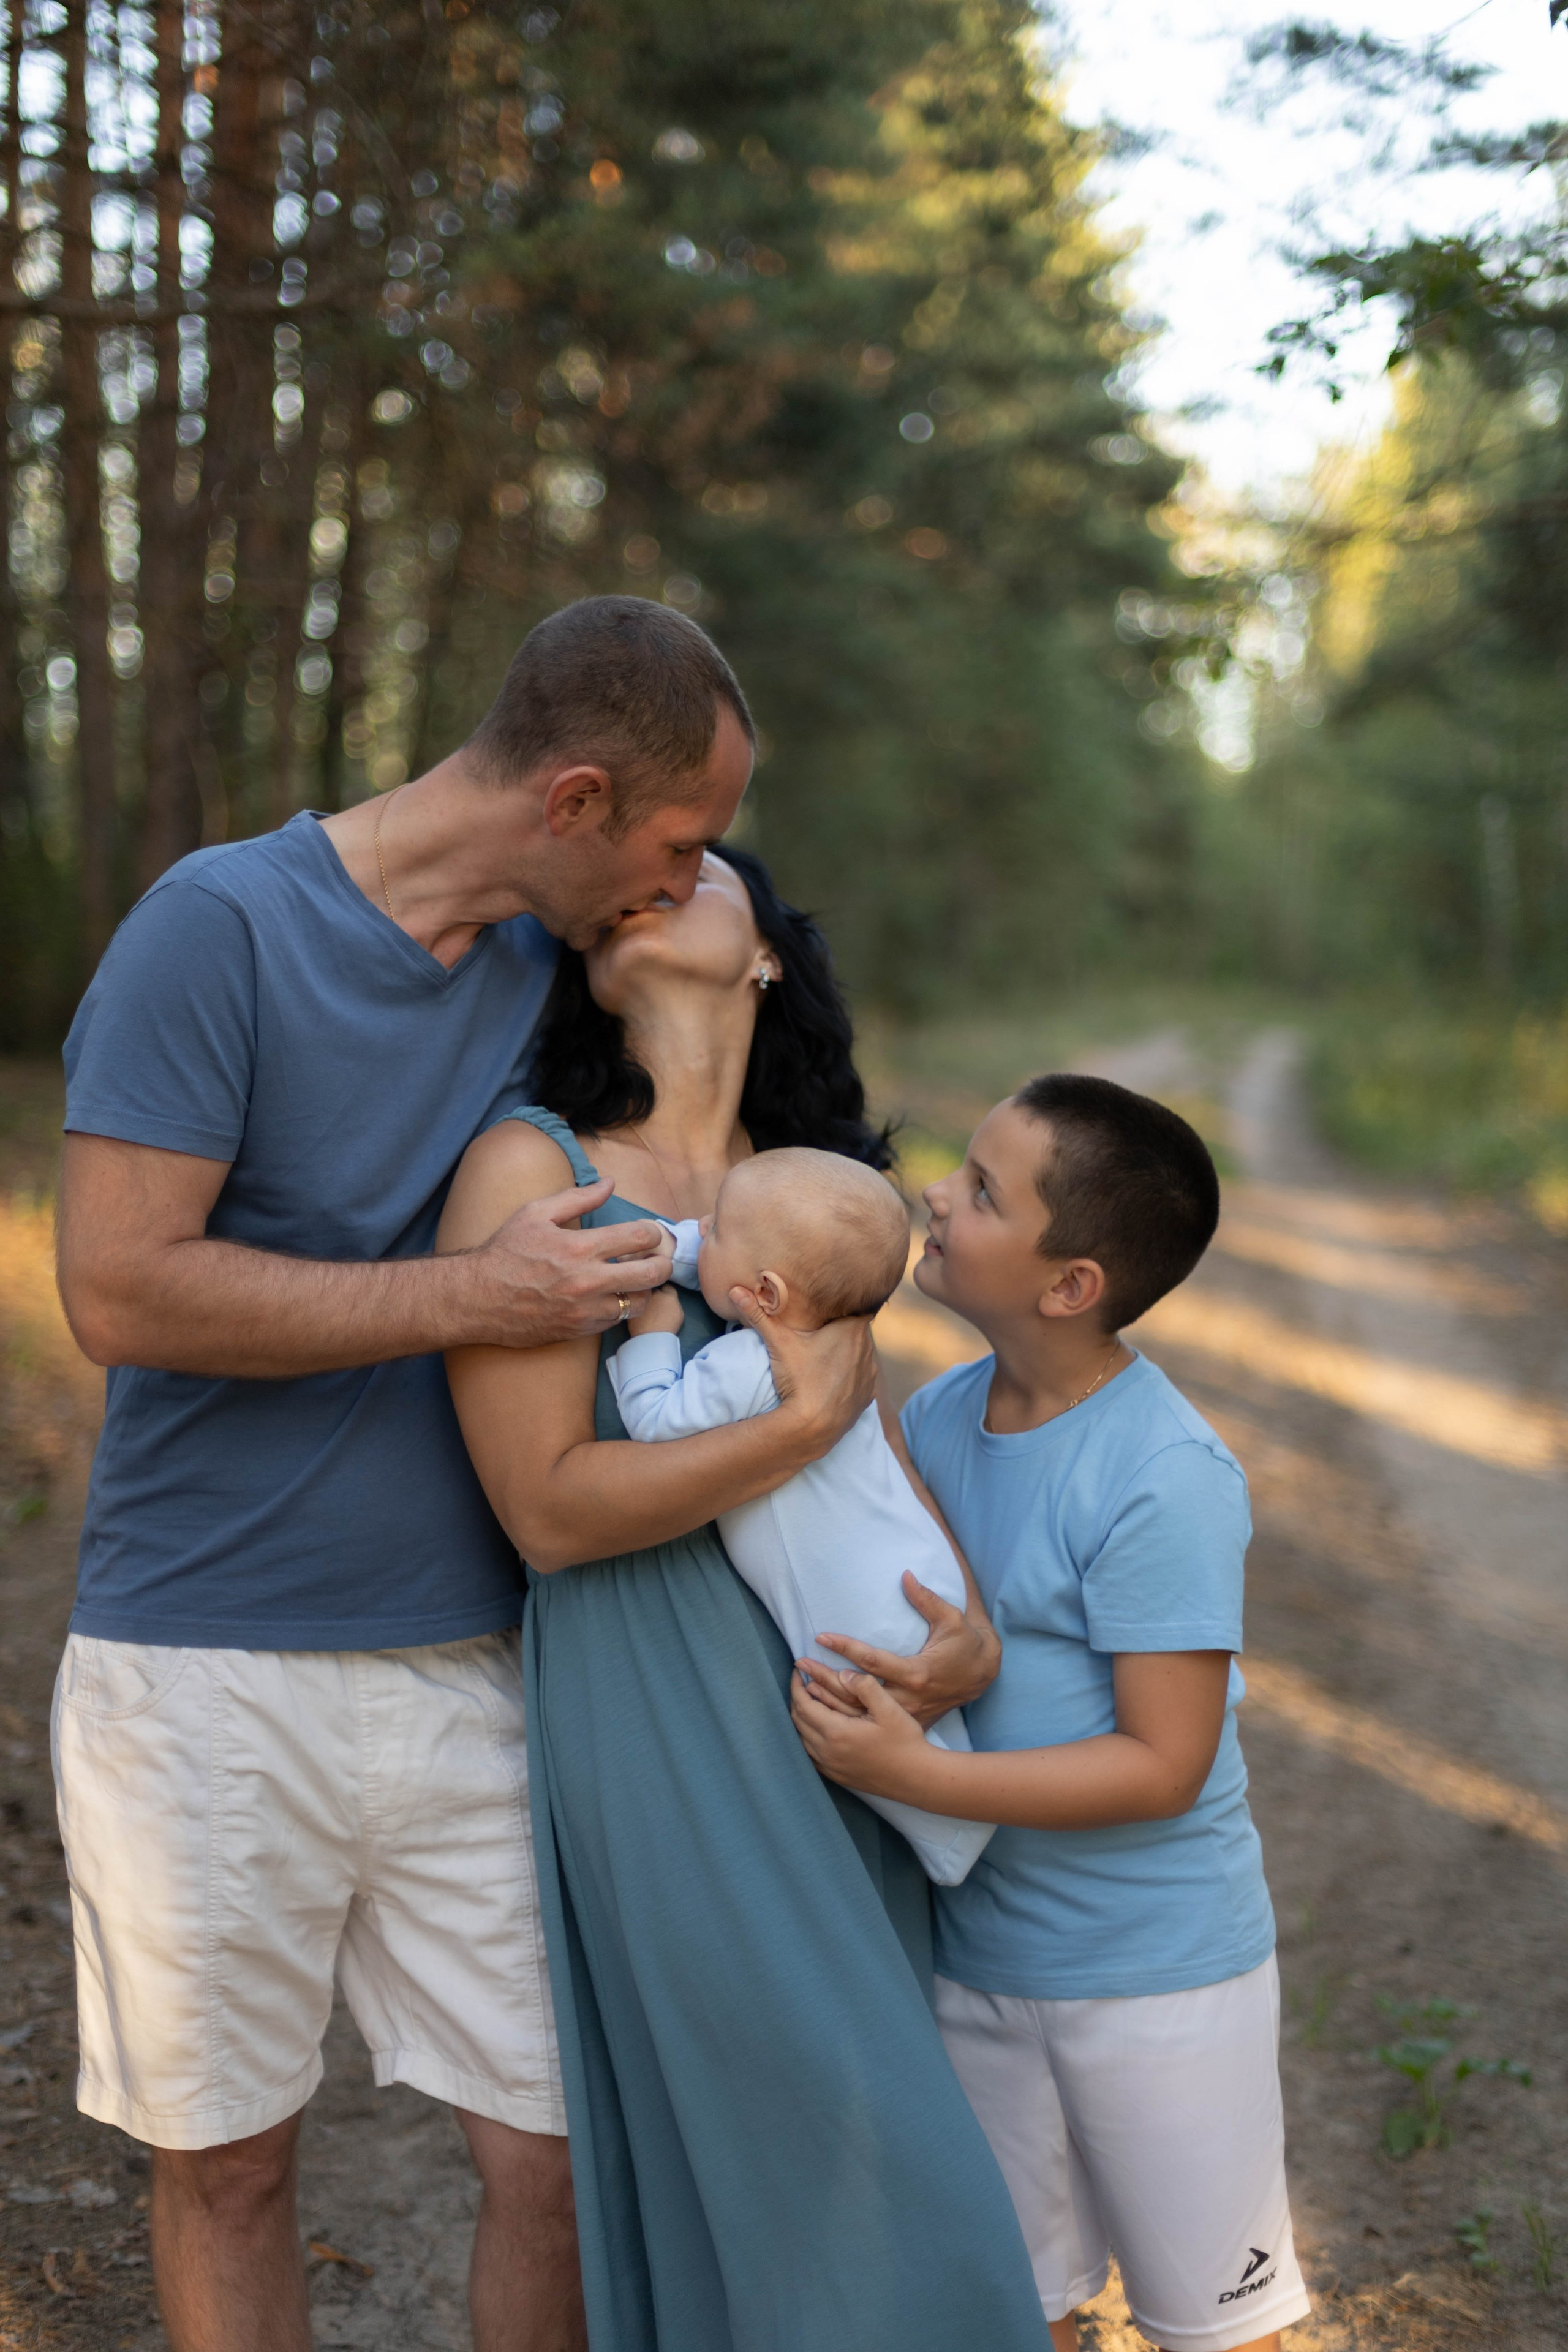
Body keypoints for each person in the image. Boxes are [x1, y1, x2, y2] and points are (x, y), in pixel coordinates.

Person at [51, 596, 878, 2352]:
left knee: (563, 2160)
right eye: (672, 841)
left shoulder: (549, 981)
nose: (682, 881)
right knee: (231, 2172)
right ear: (576, 798)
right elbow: (117, 1288)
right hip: (206, 1665)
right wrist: (471, 1296)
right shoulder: (219, 930)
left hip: (490, 1667)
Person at [438, 848, 1052, 2351]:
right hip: (654, 1690)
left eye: (694, 864)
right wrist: (781, 1427)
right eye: (626, 873)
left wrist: (960, 1625)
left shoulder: (819, 1178)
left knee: (838, 2152)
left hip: (844, 1711)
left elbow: (878, 1442)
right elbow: (546, 1507)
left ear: (765, 954)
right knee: (840, 2139)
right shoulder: (531, 1171)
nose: (649, 875)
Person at [792, 1074, 1313, 2352]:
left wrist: (908, 1773)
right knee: (1011, 2310)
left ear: (1066, 1283)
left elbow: (1162, 1765)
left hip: (1154, 1981)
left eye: (979, 1190)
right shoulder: (941, 1417)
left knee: (1216, 2323)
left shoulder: (1162, 1476)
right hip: (976, 1967)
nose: (932, 1190)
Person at [609, 1144, 996, 1883]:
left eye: (712, 1228)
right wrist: (675, 1249)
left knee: (861, 1721)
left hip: (861, 1602)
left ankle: (953, 1830)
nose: (697, 1231)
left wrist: (651, 1334)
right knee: (921, 1720)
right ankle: (952, 1804)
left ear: (766, 1294)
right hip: (909, 1569)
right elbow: (729, 1266)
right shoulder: (825, 1340)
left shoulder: (751, 1367)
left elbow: (657, 1425)